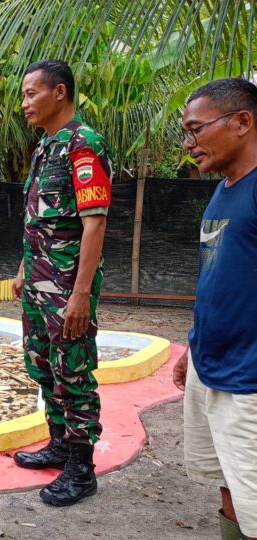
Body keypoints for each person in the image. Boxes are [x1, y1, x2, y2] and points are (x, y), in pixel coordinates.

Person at [11, 60, 112, 506]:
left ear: (60, 93)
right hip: (37, 282)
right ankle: (57, 444)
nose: (25, 102)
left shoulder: (84, 145)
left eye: (32, 93)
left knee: (73, 371)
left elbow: (94, 224)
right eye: (24, 94)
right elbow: (38, 220)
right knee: (42, 365)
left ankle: (82, 468)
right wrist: (21, 269)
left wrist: (81, 295)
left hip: (68, 287)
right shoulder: (44, 148)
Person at [172, 78, 257, 540]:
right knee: (226, 479)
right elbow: (217, 281)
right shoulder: (225, 190)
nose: (189, 144)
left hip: (248, 379)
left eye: (196, 129)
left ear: (242, 121)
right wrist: (192, 345)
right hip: (211, 364)